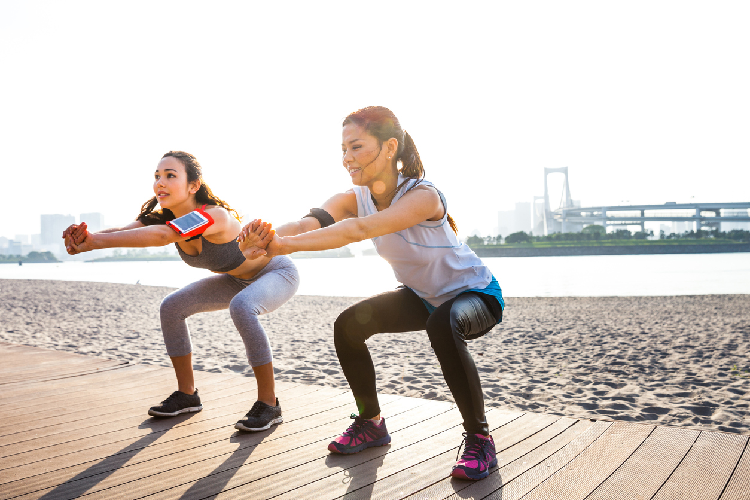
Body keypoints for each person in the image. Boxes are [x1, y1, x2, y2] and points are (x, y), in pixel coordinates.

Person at [238, 107, 504, 480]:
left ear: (390, 146)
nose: (346, 158)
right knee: (348, 325)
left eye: (356, 146)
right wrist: (264, 240)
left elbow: (358, 231)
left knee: (443, 324)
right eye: (343, 149)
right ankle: (371, 423)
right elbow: (308, 222)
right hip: (423, 296)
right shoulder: (353, 197)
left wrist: (281, 246)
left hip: (476, 294)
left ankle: (480, 441)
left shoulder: (422, 196)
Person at [63, 151, 298, 432]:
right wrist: (86, 239)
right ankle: (187, 395)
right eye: (157, 176)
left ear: (193, 185)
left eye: (170, 176)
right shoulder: (164, 217)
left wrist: (95, 242)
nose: (161, 182)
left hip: (275, 272)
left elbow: (165, 236)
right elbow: (124, 231)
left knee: (242, 306)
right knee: (172, 306)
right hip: (235, 280)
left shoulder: (214, 216)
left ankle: (269, 404)